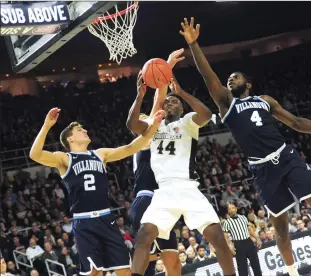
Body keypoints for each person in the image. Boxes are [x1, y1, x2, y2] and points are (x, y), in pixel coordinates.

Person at [181, 17, 311, 275]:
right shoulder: (226, 103)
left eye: (235, 77)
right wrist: (194, 44)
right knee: (280, 227)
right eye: (228, 79)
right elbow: (208, 76)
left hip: (286, 157)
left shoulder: (265, 100)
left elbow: (296, 122)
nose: (229, 80)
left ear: (247, 84)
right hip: (262, 170)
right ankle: (292, 273)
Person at [29, 95, 165, 275]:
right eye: (79, 129)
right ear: (70, 139)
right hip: (84, 222)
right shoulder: (64, 158)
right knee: (95, 273)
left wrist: (153, 126)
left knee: (124, 270)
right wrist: (46, 126)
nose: (84, 130)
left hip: (106, 219)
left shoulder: (100, 154)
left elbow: (131, 148)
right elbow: (35, 154)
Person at [129, 76, 236, 276]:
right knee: (144, 235)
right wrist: (140, 94)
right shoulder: (154, 126)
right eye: (167, 100)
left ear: (182, 109)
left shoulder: (187, 122)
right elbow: (132, 125)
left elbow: (205, 114)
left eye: (175, 101)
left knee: (218, 239)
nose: (170, 102)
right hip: (163, 192)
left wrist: (181, 92)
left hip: (188, 188)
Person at [127, 49, 185, 276]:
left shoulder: (154, 135)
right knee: (145, 263)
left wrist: (166, 69)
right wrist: (167, 65)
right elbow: (158, 100)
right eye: (143, 118)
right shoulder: (142, 140)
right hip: (146, 200)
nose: (147, 117)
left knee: (173, 262)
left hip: (163, 201)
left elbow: (159, 104)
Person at [222, 203, 262, 276]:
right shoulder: (227, 222)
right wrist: (230, 246)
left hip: (248, 242)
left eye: (232, 208)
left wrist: (257, 239)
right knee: (242, 269)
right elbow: (225, 237)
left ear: (236, 209)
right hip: (238, 245)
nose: (231, 210)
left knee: (256, 265)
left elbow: (249, 229)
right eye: (229, 209)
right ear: (228, 211)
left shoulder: (243, 217)